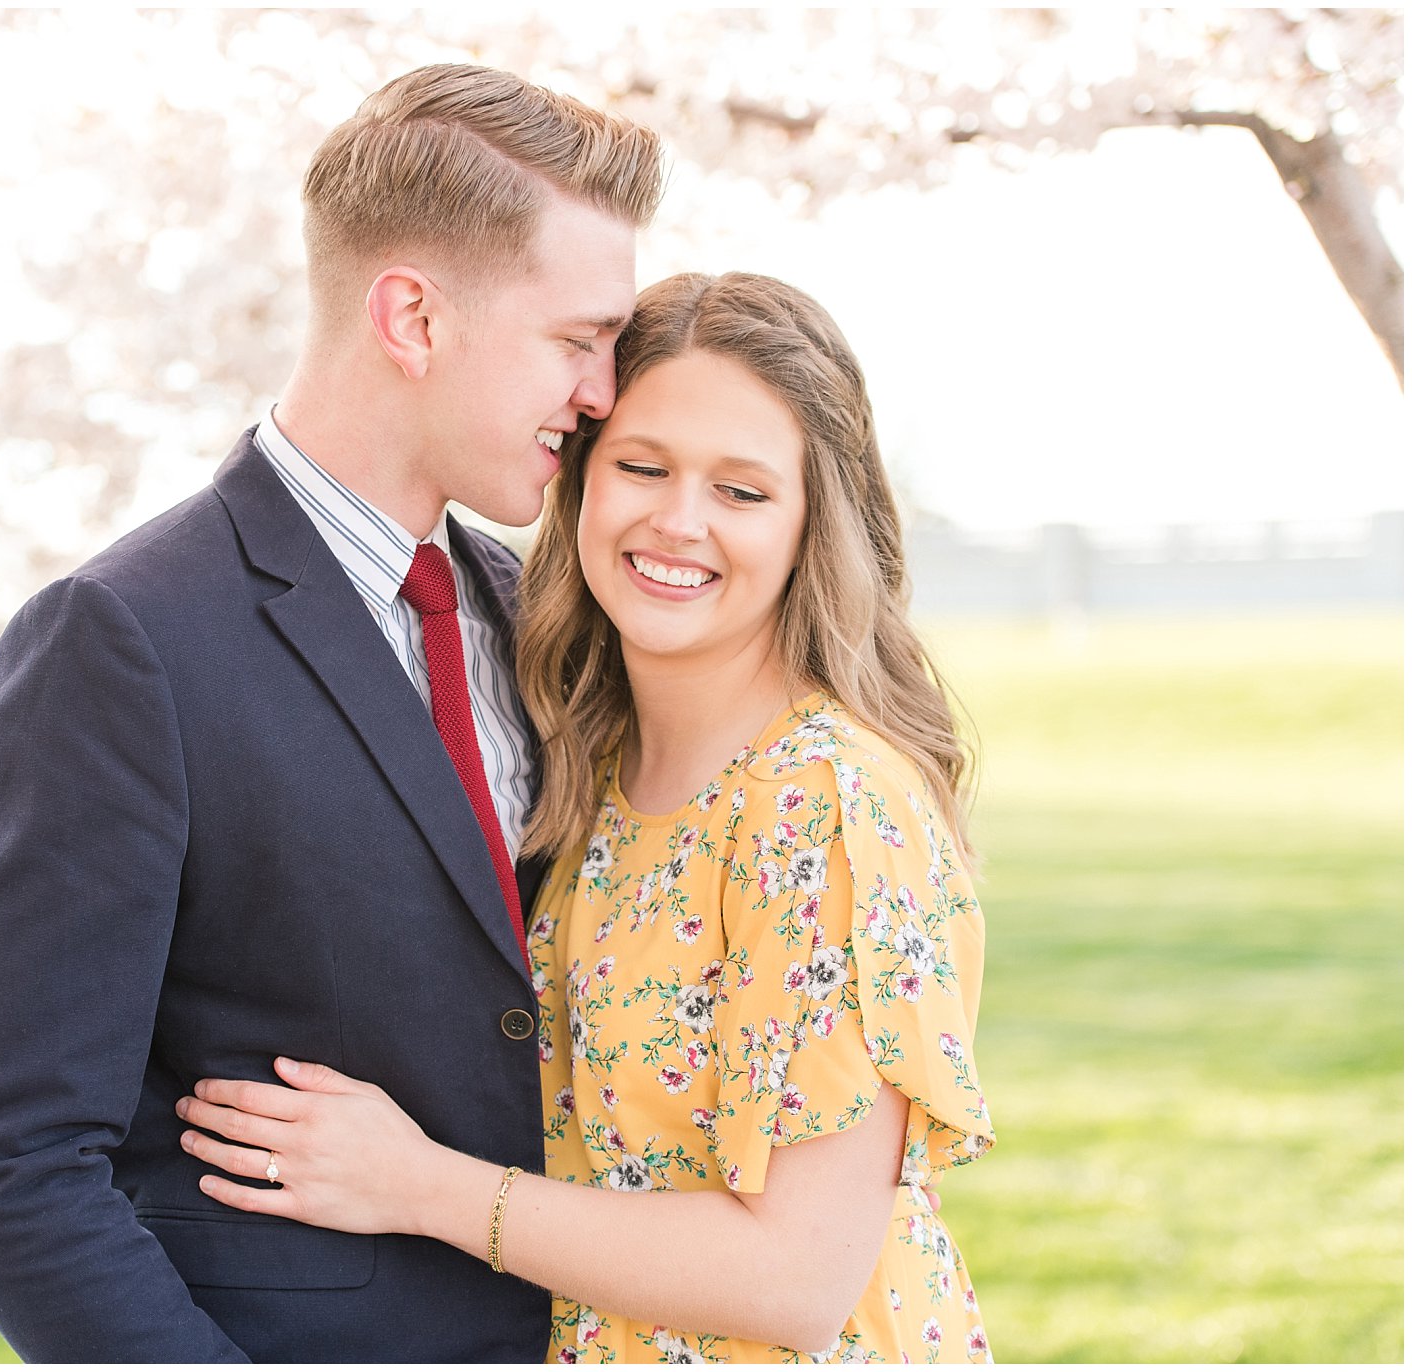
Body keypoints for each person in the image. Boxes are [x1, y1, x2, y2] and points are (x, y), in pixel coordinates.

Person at [0, 65, 666, 1361]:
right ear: (413, 319)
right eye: (575, 339)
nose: (603, 392)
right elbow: (8, 1166)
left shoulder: (532, 609)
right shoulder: (123, 643)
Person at [178, 272, 997, 1363]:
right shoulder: (584, 769)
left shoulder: (824, 803)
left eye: (741, 491)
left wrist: (420, 1186)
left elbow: (798, 1274)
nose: (677, 520)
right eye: (641, 467)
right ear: (580, 478)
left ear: (812, 523)